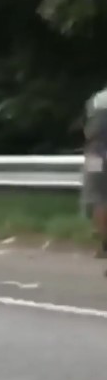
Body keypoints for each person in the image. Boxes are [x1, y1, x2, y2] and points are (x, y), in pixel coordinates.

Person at [82, 86, 107, 259]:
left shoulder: (98, 99)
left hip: (95, 154)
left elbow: (89, 132)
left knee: (97, 197)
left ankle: (104, 245)